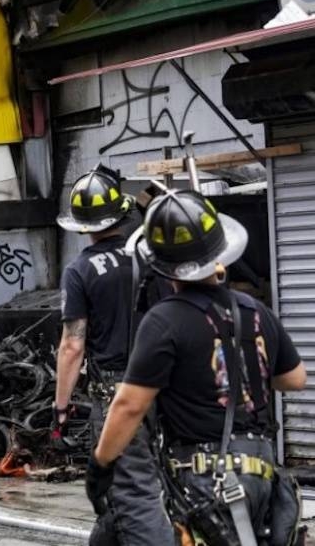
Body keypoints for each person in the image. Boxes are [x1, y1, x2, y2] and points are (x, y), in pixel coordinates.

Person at [88, 190, 306, 544]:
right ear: (221, 251)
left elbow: (129, 406)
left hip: (205, 481)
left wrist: (101, 465)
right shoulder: (253, 311)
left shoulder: (163, 321)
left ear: (157, 263)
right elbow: (294, 379)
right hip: (263, 478)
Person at [54, 164, 172, 545]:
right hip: (169, 389)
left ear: (82, 226)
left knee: (129, 491)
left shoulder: (80, 270)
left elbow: (73, 345)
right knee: (166, 480)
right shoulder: (152, 257)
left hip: (119, 395)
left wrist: (61, 406)